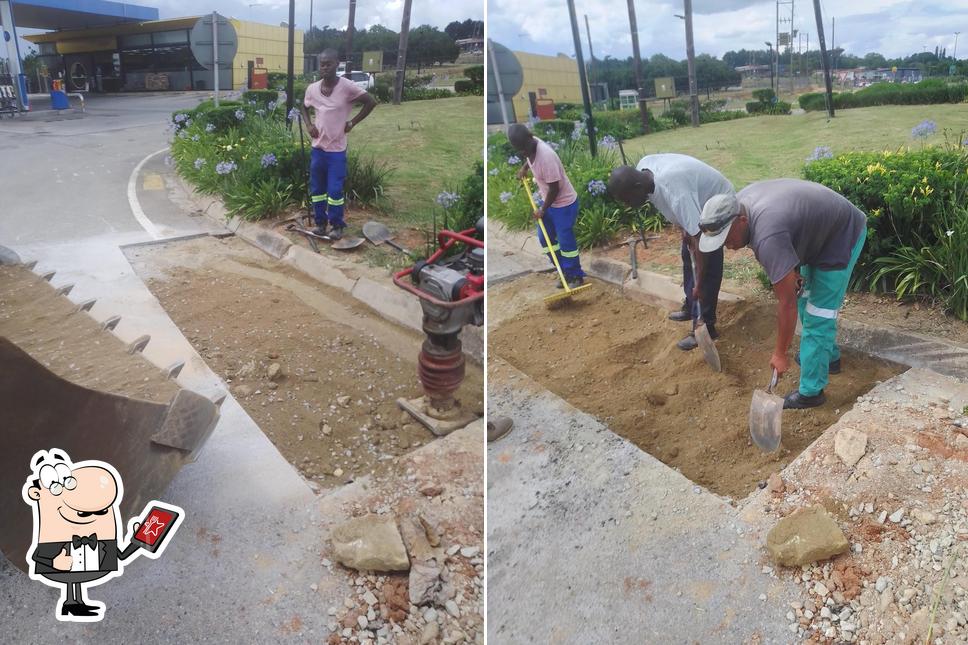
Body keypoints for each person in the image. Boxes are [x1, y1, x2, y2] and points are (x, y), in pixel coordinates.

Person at [698, 179, 867, 409]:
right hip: (817, 235)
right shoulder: (740, 206)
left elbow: (785, 302)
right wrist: (793, 269)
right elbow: (793, 226)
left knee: (818, 315)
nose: (726, 246)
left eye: (727, 238)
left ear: (742, 221)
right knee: (804, 300)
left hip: (841, 235)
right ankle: (828, 359)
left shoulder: (767, 236)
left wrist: (780, 353)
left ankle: (811, 392)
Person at [607, 154, 735, 350]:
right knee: (687, 252)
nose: (627, 205)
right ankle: (692, 306)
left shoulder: (675, 191)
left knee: (708, 261)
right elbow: (673, 208)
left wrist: (699, 284)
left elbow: (702, 242)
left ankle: (705, 325)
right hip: (695, 200)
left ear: (638, 187)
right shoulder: (645, 169)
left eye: (627, 199)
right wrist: (684, 228)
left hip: (718, 202)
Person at [300, 49, 377, 241]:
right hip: (318, 149)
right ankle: (320, 224)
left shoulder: (347, 87)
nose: (324, 67)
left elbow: (370, 102)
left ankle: (336, 225)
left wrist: (352, 122)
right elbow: (303, 106)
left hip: (336, 151)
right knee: (317, 189)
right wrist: (309, 125)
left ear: (337, 64)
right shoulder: (312, 88)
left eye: (328, 64)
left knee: (334, 191)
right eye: (322, 64)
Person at [508, 123, 585, 289]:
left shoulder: (546, 156)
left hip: (564, 204)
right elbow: (530, 158)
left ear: (530, 139)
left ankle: (575, 275)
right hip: (549, 203)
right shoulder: (529, 146)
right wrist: (524, 168)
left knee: (566, 243)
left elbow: (555, 188)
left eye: (524, 149)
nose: (523, 153)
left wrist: (543, 210)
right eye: (520, 150)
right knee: (545, 239)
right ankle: (564, 271)